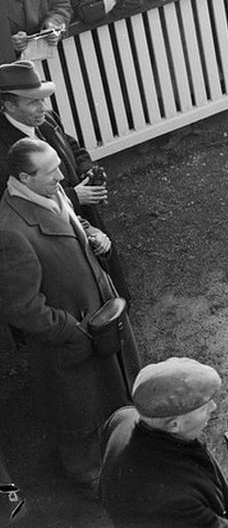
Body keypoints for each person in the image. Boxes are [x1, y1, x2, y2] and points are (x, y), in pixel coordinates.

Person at [0, 138, 140, 493]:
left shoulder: (46, 192)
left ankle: (120, 451)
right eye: (51, 174)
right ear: (23, 178)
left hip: (100, 318)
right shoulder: (10, 233)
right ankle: (89, 477)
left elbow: (71, 221)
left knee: (111, 391)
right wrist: (72, 330)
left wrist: (93, 235)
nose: (62, 177)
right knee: (79, 410)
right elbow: (23, 309)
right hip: (69, 340)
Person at [0, 60, 131, 298]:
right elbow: (8, 200)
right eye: (33, 102)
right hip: (50, 234)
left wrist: (87, 170)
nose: (42, 107)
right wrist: (73, 196)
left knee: (107, 270)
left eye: (42, 99)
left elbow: (73, 147)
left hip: (85, 214)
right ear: (9, 105)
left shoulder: (47, 118)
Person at [99, 357, 228, 527]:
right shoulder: (177, 501)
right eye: (203, 406)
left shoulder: (123, 418)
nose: (213, 407)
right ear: (174, 424)